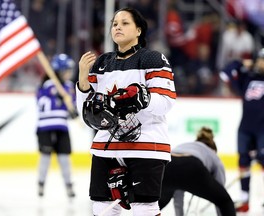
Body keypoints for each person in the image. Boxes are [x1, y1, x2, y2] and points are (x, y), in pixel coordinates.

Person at [76, 7, 176, 216]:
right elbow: (86, 114)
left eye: (125, 23)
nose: (117, 27)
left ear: (139, 30)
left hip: (146, 144)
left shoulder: (153, 59)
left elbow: (166, 102)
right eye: (114, 24)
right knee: (101, 207)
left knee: (144, 209)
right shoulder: (102, 63)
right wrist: (83, 82)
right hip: (106, 145)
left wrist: (142, 99)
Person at [220, 48, 264, 212]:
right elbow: (225, 73)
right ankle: (245, 201)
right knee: (243, 162)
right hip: (245, 128)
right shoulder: (248, 78)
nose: (260, 63)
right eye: (259, 59)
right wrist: (239, 62)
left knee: (263, 159)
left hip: (263, 129)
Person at [159, 127, 236, 216]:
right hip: (191, 165)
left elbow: (178, 191)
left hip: (167, 165)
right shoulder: (213, 155)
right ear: (213, 150)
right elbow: (220, 194)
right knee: (225, 201)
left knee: (157, 204)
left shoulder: (185, 145)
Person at [36, 53, 78, 198]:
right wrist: (58, 95)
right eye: (66, 70)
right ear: (58, 71)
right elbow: (41, 102)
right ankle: (41, 184)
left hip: (62, 126)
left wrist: (73, 112)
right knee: (45, 157)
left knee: (64, 158)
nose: (69, 73)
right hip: (45, 126)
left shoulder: (69, 86)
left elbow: (71, 106)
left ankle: (69, 185)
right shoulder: (48, 85)